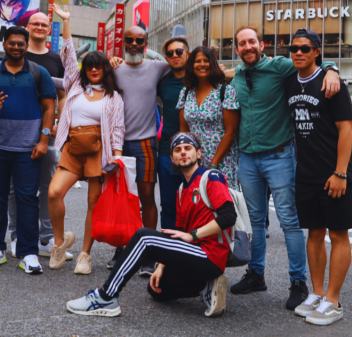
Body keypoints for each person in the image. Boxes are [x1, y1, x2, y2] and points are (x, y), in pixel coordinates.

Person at [227, 26, 340, 307]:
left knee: (289, 221)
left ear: (261, 44)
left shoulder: (279, 66)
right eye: (242, 44)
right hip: (248, 158)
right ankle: (256, 274)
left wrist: (333, 68)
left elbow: (311, 61)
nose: (248, 47)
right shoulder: (238, 75)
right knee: (255, 220)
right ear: (237, 49)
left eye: (251, 41)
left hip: (279, 155)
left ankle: (298, 282)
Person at [65, 133, 231, 319]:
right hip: (192, 255)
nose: (183, 152)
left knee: (144, 237)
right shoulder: (181, 191)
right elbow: (178, 234)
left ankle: (106, 297)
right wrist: (161, 265)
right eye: (177, 150)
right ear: (173, 159)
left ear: (198, 153)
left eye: (188, 148)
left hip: (210, 255)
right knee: (157, 289)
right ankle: (206, 285)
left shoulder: (211, 177)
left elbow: (228, 216)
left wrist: (194, 236)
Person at [282, 29, 352, 326]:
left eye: (305, 48)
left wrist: (340, 173)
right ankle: (316, 294)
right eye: (294, 48)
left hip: (334, 172)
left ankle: (333, 300)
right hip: (307, 172)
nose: (298, 52)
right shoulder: (289, 82)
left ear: (316, 52)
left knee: (338, 234)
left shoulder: (332, 84)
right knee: (314, 234)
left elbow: (346, 130)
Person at [47, 4, 125, 275]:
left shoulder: (113, 97)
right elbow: (68, 57)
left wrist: (115, 156)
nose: (94, 70)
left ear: (105, 69)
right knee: (54, 192)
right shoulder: (75, 87)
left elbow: (117, 129)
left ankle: (85, 254)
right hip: (72, 148)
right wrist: (66, 22)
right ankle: (59, 243)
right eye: (89, 66)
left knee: (94, 203)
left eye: (98, 66)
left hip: (98, 152)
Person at [0, 26, 56, 275]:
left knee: (27, 199)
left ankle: (29, 252)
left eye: (21, 44)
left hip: (28, 148)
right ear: (4, 45)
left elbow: (49, 107)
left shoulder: (38, 72)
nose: (16, 47)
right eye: (12, 43)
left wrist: (44, 140)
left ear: (26, 45)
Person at [6, 11, 71, 261]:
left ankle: (45, 238)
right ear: (28, 27)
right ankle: (17, 236)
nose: (40, 27)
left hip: (49, 130)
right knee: (15, 187)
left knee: (48, 186)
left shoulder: (55, 59)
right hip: (17, 130)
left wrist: (60, 123)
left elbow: (63, 95)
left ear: (48, 29)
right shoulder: (16, 53)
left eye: (45, 24)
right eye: (36, 24)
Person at [109, 25, 172, 274]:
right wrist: (108, 59)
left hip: (145, 143)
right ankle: (122, 247)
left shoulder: (157, 67)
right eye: (130, 40)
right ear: (123, 42)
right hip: (117, 143)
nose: (134, 44)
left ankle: (148, 253)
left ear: (146, 43)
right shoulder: (113, 69)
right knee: (122, 197)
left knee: (146, 196)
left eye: (140, 40)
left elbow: (185, 63)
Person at [177, 46, 240, 186]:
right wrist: (188, 160)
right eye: (197, 61)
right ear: (191, 65)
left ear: (213, 63)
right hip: (194, 162)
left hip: (222, 161)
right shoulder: (185, 92)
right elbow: (184, 131)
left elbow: (231, 132)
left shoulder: (225, 91)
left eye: (206, 60)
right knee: (197, 204)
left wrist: (213, 164)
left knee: (221, 204)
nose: (202, 64)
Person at [157, 36, 190, 231]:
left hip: (196, 151)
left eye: (179, 51)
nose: (175, 55)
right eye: (170, 53)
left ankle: (194, 252)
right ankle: (167, 252)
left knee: (195, 204)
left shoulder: (200, 78)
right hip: (167, 151)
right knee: (169, 205)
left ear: (188, 54)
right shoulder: (162, 82)